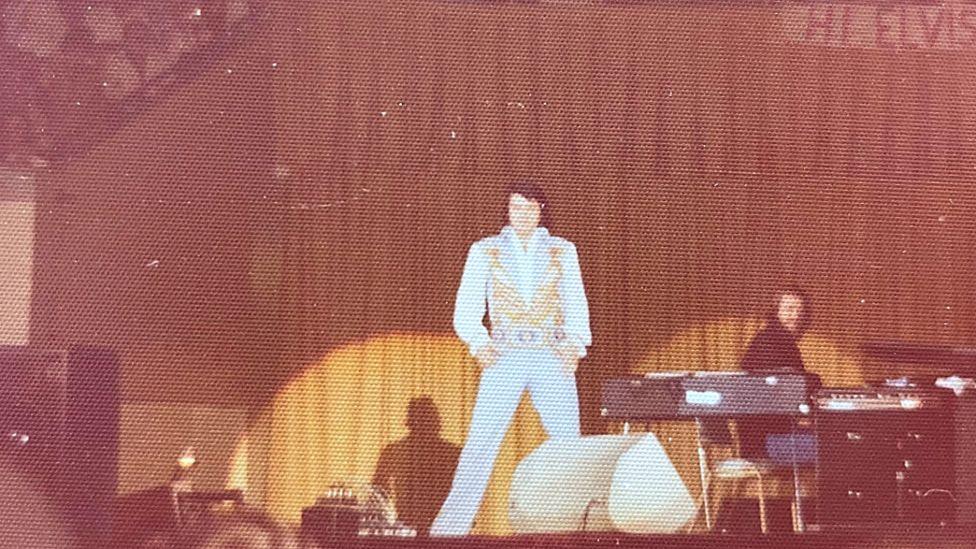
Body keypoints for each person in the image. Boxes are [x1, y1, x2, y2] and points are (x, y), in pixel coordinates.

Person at [430, 182, 591, 537]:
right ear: (507, 210)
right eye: (517, 207)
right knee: (481, 441)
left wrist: (575, 344)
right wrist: (478, 342)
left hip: (551, 354)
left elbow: (576, 302)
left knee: (569, 441)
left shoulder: (562, 250)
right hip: (505, 355)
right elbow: (466, 308)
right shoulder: (485, 250)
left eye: (530, 208)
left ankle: (578, 527)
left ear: (541, 212)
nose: (523, 214)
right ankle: (449, 531)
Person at [738, 288, 816, 460]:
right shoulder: (771, 343)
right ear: (776, 312)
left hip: (768, 439)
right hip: (768, 444)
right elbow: (787, 393)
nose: (796, 316)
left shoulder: (774, 340)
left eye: (800, 311)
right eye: (789, 310)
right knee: (841, 446)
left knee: (835, 441)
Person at [372, 397, 460, 535]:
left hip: (440, 526)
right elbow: (378, 491)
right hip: (413, 526)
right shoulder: (394, 451)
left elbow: (377, 492)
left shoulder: (453, 453)